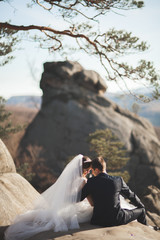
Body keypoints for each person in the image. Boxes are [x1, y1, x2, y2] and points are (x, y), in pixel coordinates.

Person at [5, 154, 93, 240]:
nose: (89, 172)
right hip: (71, 206)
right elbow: (77, 197)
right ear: (83, 169)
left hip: (63, 204)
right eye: (88, 169)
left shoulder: (70, 179)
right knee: (90, 211)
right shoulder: (83, 180)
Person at [81, 156, 147, 227]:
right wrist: (141, 205)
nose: (92, 173)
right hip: (117, 219)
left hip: (97, 220)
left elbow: (80, 198)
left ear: (96, 170)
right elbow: (131, 195)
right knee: (142, 211)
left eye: (92, 171)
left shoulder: (91, 182)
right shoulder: (118, 180)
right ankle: (148, 231)